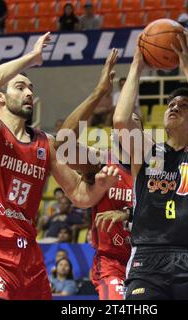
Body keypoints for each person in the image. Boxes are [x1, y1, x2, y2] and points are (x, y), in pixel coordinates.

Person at [0, 32, 118, 300]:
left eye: (31, 88)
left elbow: (81, 197)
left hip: (29, 258)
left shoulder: (45, 144)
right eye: (20, 87)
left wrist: (100, 185)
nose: (29, 92)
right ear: (0, 98)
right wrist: (32, 58)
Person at [114, 31, 188, 300]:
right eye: (171, 104)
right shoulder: (146, 151)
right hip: (147, 261)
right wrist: (136, 67)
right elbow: (120, 121)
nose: (174, 107)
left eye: (184, 105)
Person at [53, 48, 134, 300]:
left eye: (134, 125)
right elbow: (63, 144)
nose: (128, 129)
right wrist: (99, 93)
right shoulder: (102, 161)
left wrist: (126, 213)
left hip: (149, 262)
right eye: (122, 125)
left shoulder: (154, 170)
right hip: (111, 261)